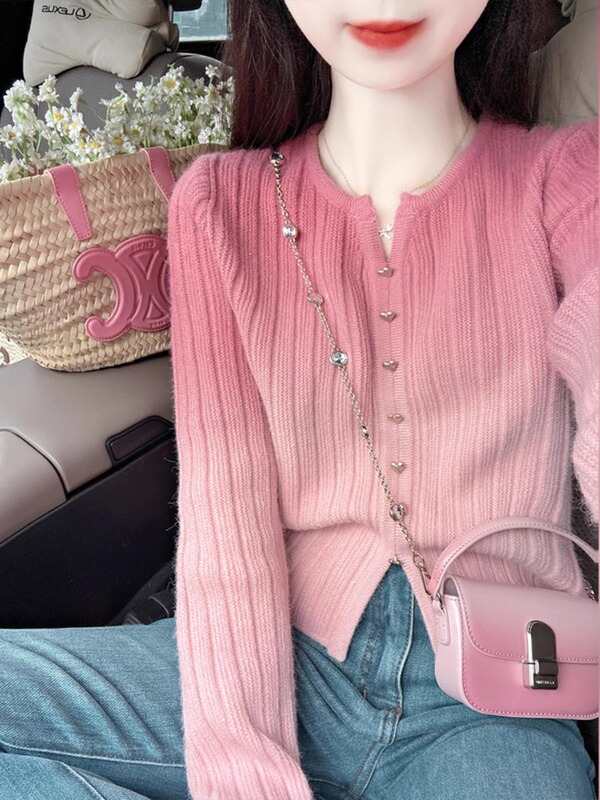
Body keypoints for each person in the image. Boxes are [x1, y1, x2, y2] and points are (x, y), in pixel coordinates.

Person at [0, 2, 596, 799]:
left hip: (495, 700)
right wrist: (246, 769)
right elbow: (227, 519)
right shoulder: (217, 206)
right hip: (276, 653)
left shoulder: (568, 179)